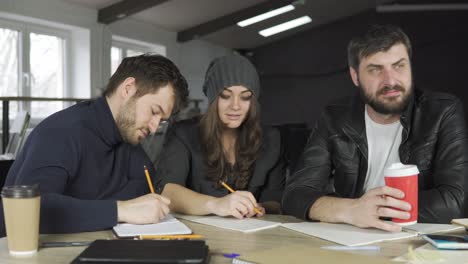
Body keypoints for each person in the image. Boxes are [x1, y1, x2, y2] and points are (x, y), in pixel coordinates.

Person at [282, 24, 468, 232]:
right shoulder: (336, 117)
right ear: (355, 76)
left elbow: (454, 202)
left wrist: (373, 210)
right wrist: (352, 210)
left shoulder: (442, 111)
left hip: (415, 239)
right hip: (352, 237)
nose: (390, 81)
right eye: (375, 69)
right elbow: (296, 194)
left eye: (399, 66)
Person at [0, 54, 189, 236]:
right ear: (128, 88)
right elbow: (33, 208)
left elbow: (145, 195)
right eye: (154, 111)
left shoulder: (128, 138)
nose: (155, 127)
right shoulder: (61, 132)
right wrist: (120, 210)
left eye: (162, 120)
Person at [156, 55, 285, 219]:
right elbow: (168, 191)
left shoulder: (272, 139)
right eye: (226, 95)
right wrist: (216, 204)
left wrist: (260, 207)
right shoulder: (183, 133)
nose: (235, 106)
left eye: (245, 97)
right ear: (213, 98)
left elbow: (277, 200)